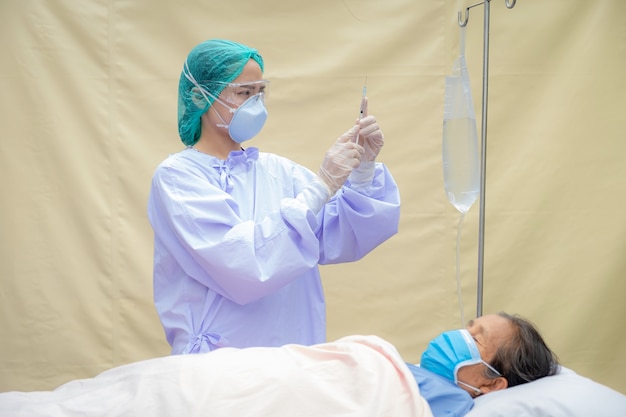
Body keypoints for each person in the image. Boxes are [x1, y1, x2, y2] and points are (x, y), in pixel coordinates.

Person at [147, 39, 401, 354]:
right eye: (244, 92)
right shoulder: (178, 177)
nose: (256, 103)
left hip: (294, 361)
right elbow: (245, 265)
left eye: (260, 92)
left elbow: (343, 236)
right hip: (222, 370)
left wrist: (363, 171)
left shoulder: (277, 171)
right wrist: (320, 187)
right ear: (201, 96)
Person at [409, 312, 560, 417]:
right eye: (467, 329)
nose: (457, 336)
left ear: (492, 384)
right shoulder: (418, 374)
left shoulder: (449, 403)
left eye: (475, 339)